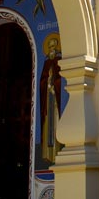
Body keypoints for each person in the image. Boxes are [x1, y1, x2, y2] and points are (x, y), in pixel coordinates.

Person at [39, 34, 62, 163]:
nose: (51, 50)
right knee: (48, 123)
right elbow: (42, 79)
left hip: (55, 101)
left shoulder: (59, 60)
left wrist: (55, 85)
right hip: (48, 100)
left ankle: (57, 152)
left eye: (53, 47)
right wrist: (47, 83)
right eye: (49, 47)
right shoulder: (47, 62)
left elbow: (61, 78)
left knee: (56, 122)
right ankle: (47, 154)